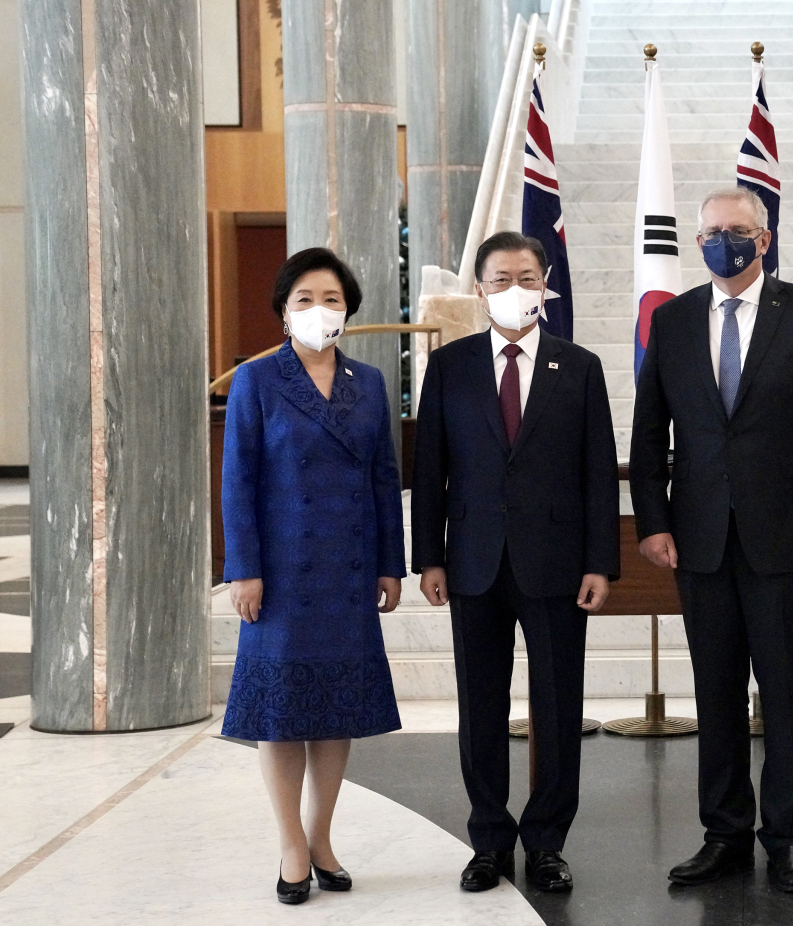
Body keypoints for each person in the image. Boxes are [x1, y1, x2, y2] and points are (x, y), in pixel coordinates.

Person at [630, 187, 793, 893]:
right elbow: (648, 435)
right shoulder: (670, 323)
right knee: (716, 692)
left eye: (733, 231)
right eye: (708, 232)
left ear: (763, 240)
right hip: (699, 541)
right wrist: (654, 521)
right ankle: (724, 833)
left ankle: (786, 837)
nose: (719, 241)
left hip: (791, 541)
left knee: (788, 692)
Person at [412, 231, 619, 894]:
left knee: (558, 707)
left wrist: (600, 562)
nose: (513, 290)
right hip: (472, 562)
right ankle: (489, 840)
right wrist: (428, 558)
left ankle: (548, 841)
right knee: (481, 707)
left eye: (526, 277)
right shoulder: (449, 367)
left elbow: (595, 474)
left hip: (558, 565)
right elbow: (431, 470)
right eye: (500, 279)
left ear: (546, 283)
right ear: (480, 290)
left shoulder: (579, 366)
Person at [221, 247, 406, 905]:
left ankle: (321, 836)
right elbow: (238, 480)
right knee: (281, 714)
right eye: (304, 299)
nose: (318, 310)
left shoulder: (370, 382)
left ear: (348, 309)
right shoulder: (257, 380)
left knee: (335, 713)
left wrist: (391, 563)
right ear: (283, 313)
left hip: (349, 572)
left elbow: (385, 477)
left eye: (330, 298)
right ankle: (291, 847)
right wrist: (243, 569)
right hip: (280, 575)